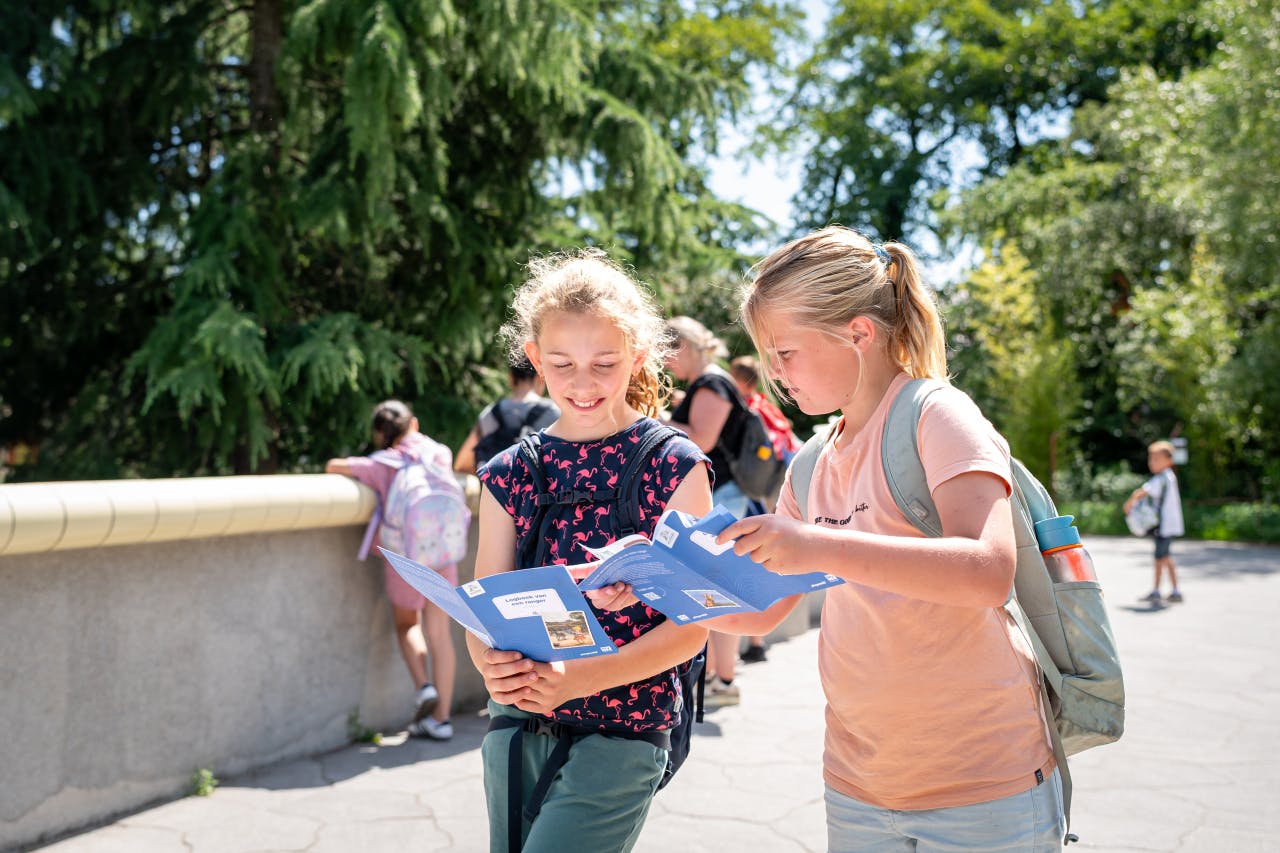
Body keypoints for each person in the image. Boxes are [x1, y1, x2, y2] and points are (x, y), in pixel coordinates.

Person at [713, 226, 1067, 851]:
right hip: (858, 787)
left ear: (858, 334)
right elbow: (763, 611)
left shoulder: (938, 415)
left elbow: (987, 572)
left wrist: (816, 546)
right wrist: (657, 588)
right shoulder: (810, 463)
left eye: (784, 352)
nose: (772, 374)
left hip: (984, 789)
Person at [471, 249, 713, 853]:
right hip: (517, 727)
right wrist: (487, 663)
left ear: (637, 355)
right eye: (562, 363)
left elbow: (694, 628)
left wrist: (575, 681)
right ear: (535, 360)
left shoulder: (674, 466)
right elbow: (482, 609)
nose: (582, 383)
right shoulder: (506, 473)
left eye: (604, 363)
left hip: (624, 735)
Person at [325, 400, 458, 740]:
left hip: (405, 559)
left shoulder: (383, 464)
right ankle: (441, 719)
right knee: (440, 635)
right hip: (443, 553)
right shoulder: (439, 454)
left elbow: (333, 467)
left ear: (381, 434)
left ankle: (424, 686)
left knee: (406, 625)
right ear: (413, 423)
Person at [664, 315, 756, 705]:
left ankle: (725, 680)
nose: (666, 362)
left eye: (669, 351)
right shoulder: (712, 383)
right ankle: (723, 678)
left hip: (724, 495)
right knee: (719, 585)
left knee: (719, 586)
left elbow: (702, 437)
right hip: (727, 493)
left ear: (684, 345)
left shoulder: (712, 382)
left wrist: (653, 421)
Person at [727, 354, 802, 665]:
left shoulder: (743, 409)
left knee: (744, 565)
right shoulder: (765, 407)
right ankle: (756, 642)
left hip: (745, 493)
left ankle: (754, 640)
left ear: (740, 379)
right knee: (759, 563)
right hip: (766, 490)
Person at [454, 357, 560, 475]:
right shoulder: (555, 413)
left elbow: (461, 464)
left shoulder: (490, 414)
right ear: (540, 378)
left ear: (510, 378)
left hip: (496, 492)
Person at [1124, 440, 1186, 603]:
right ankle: (1172, 590)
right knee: (1164, 557)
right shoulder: (1168, 477)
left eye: (1157, 459)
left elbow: (1142, 492)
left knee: (1161, 558)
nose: (1152, 463)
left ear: (1168, 461)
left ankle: (1160, 591)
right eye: (1151, 459)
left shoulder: (1162, 478)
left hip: (1164, 526)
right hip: (1168, 526)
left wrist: (1130, 503)